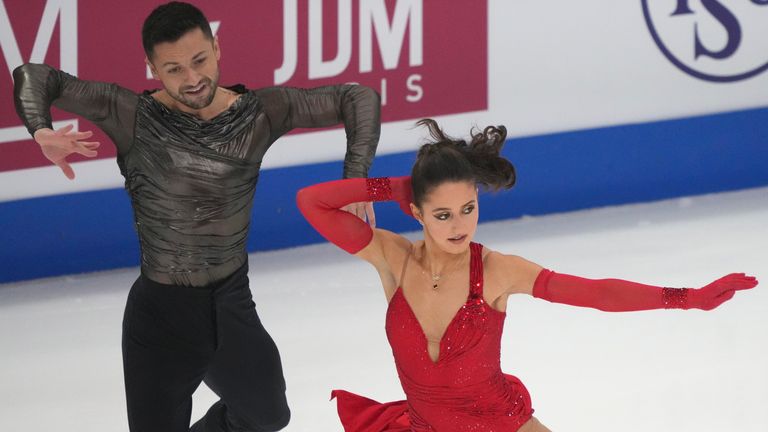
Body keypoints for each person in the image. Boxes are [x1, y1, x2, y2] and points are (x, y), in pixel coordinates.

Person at [12, 2, 380, 431]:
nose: (192, 79)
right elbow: (34, 76)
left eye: (199, 60)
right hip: (161, 319)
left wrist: (356, 181)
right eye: (173, 69)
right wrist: (40, 129)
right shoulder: (131, 115)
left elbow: (359, 97)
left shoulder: (258, 113)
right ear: (151, 68)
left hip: (231, 305)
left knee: (267, 415)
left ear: (217, 47)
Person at [296, 118, 758, 432]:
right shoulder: (391, 258)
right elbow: (311, 201)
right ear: (415, 211)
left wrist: (685, 297)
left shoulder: (495, 270)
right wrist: (394, 186)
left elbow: (594, 293)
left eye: (468, 208)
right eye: (442, 214)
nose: (459, 226)